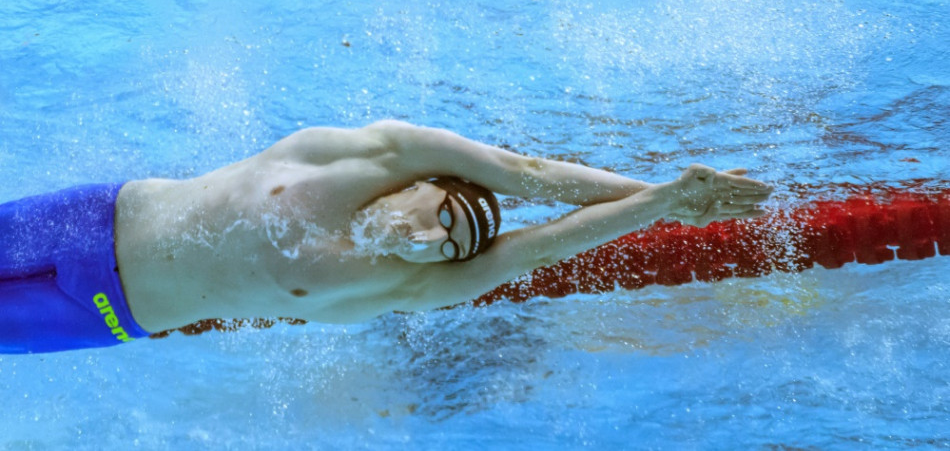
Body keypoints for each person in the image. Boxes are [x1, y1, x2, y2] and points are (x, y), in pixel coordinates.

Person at [0, 121, 772, 354]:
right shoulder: (359, 160)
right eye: (446, 216)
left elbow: (543, 245)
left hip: (101, 311)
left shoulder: (405, 284)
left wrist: (662, 208)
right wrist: (659, 185)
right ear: (421, 181)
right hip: (92, 220)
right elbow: (527, 173)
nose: (437, 242)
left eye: (454, 247)